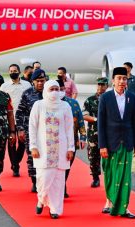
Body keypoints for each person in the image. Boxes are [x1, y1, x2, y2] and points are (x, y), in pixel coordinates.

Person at [98, 67, 135, 219]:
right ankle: (110, 202)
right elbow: (101, 124)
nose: (122, 81)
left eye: (124, 78)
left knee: (125, 177)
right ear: (113, 80)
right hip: (110, 143)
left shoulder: (132, 97)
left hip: (128, 142)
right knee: (110, 174)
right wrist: (102, 145)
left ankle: (123, 208)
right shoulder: (106, 98)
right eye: (119, 78)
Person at [29, 80, 74, 219]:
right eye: (51, 89)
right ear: (46, 90)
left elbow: (69, 128)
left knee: (58, 181)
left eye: (56, 88)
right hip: (43, 150)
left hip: (60, 149)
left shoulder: (65, 106)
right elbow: (32, 126)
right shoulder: (39, 105)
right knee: (43, 178)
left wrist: (70, 148)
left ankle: (55, 209)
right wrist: (33, 146)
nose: (54, 91)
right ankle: (41, 199)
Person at [16, 69, 46, 192]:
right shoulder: (27, 93)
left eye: (42, 81)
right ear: (32, 81)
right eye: (37, 81)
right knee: (32, 157)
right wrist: (20, 129)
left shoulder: (50, 92)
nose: (40, 83)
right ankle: (34, 181)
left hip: (47, 132)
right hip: (31, 132)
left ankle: (44, 180)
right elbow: (20, 112)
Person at [0, 64, 31, 177]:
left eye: (15, 70)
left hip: (23, 118)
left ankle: (16, 161)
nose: (13, 72)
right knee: (12, 142)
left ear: (19, 71)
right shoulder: (4, 86)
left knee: (23, 142)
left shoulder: (27, 84)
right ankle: (15, 166)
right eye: (11, 71)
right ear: (9, 72)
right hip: (10, 118)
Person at [58, 80, 86, 197]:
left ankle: (62, 184)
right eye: (55, 89)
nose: (58, 92)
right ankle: (59, 188)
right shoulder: (47, 104)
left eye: (61, 89)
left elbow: (80, 120)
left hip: (71, 141)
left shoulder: (73, 103)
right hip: (55, 142)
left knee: (67, 165)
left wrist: (83, 137)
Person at [82, 77, 109, 188]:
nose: (100, 87)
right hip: (94, 134)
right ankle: (95, 178)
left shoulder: (110, 99)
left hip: (108, 134)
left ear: (107, 86)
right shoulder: (90, 100)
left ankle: (109, 178)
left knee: (108, 156)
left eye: (103, 85)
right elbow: (84, 115)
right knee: (93, 157)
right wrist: (97, 120)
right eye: (98, 84)